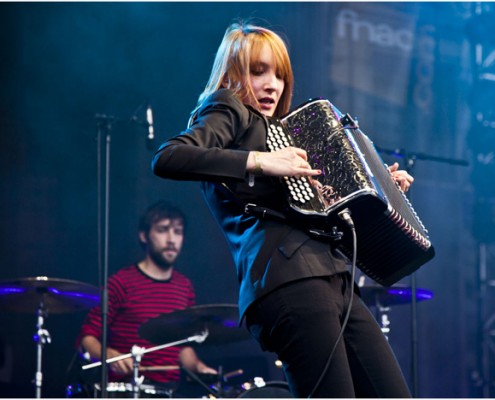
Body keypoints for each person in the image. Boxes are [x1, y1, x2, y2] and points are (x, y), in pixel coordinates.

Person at [152, 21, 414, 398]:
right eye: (258, 72)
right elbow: (169, 157)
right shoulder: (228, 107)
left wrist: (378, 185)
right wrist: (260, 161)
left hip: (335, 278)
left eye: (279, 75)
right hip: (288, 278)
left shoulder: (286, 136)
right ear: (232, 75)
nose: (272, 84)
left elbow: (323, 210)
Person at [76, 201, 216, 393]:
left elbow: (183, 347)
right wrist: (109, 355)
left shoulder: (184, 287)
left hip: (168, 391)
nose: (171, 239)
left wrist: (198, 367)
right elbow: (87, 338)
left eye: (178, 231)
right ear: (144, 236)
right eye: (162, 230)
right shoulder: (120, 283)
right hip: (125, 390)